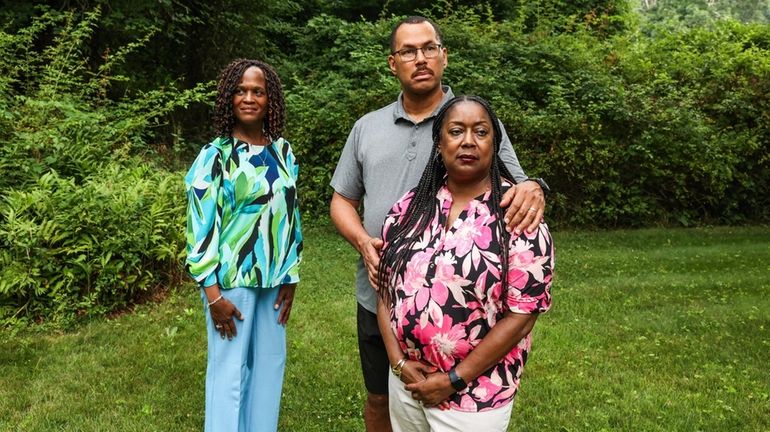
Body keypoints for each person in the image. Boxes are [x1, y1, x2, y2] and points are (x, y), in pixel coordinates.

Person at [330, 15, 550, 432]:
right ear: (393, 63)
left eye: (429, 48)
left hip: (464, 311)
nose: (420, 58)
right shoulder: (367, 128)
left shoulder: (473, 119)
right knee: (380, 398)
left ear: (444, 56)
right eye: (408, 51)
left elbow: (517, 188)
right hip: (380, 292)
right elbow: (341, 200)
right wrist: (363, 242)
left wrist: (538, 186)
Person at [376, 95, 554, 431]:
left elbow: (522, 315)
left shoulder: (517, 216)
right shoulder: (409, 208)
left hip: (475, 396)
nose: (468, 141)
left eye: (481, 132)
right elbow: (385, 289)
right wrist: (398, 362)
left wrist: (455, 378)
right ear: (439, 143)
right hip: (408, 382)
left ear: (494, 144)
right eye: (456, 131)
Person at [185, 58, 303, 432]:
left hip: (274, 283)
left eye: (258, 91)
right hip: (231, 285)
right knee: (229, 374)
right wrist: (213, 294)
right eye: (240, 90)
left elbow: (291, 217)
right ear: (228, 98)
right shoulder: (215, 155)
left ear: (271, 100)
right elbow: (200, 228)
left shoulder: (283, 153)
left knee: (270, 368)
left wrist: (291, 274)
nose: (249, 98)